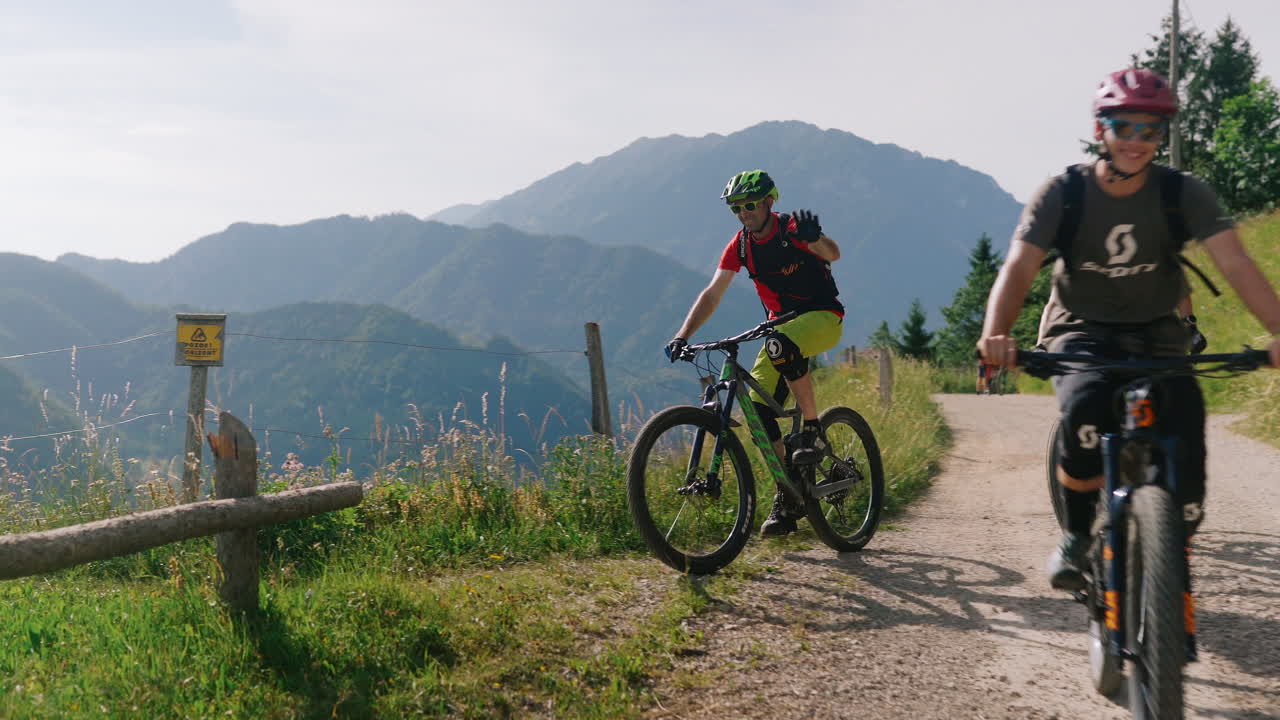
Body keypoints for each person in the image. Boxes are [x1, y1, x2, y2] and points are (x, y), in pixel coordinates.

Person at [977, 69, 1280, 591]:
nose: (1136, 140)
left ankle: (1171, 534)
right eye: (1124, 127)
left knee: (1186, 422)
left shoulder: (1182, 193)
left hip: (1158, 330)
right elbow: (1020, 266)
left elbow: (1235, 263)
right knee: (1085, 408)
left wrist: (1276, 329)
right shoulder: (1063, 193)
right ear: (1101, 130)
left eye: (1150, 129)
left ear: (1162, 135)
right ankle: (1076, 535)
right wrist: (997, 333)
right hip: (1081, 327)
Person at [666, 169, 844, 537]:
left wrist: (815, 239)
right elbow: (713, 293)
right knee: (759, 414)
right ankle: (789, 494)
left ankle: (811, 429)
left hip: (822, 317)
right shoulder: (741, 246)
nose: (744, 213)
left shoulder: (791, 228)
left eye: (749, 205)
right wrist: (683, 335)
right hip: (779, 329)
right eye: (736, 208)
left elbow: (833, 254)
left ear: (769, 201)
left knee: (779, 343)